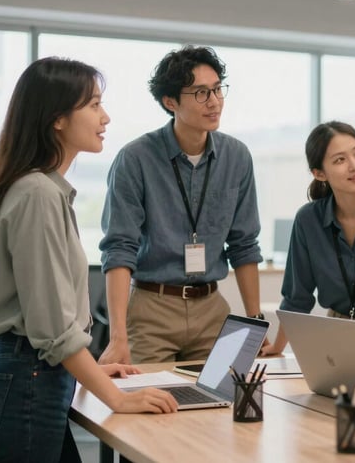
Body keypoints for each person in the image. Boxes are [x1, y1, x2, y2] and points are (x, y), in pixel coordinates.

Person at [0, 58, 177, 462]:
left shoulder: (42, 189)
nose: (105, 116)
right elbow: (51, 326)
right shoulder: (37, 195)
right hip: (24, 386)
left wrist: (93, 373)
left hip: (30, 379)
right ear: (58, 119)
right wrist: (115, 397)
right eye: (94, 105)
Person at [98, 45, 266, 365]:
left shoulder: (237, 157)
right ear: (170, 101)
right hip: (152, 309)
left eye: (217, 89)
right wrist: (118, 336)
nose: (214, 101)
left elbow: (244, 244)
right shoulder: (135, 159)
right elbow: (119, 248)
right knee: (150, 406)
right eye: (201, 93)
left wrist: (255, 320)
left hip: (212, 307)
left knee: (227, 400)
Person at [260, 121, 355, 365]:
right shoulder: (308, 219)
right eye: (340, 160)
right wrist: (278, 346)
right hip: (336, 334)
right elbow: (296, 295)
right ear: (319, 173)